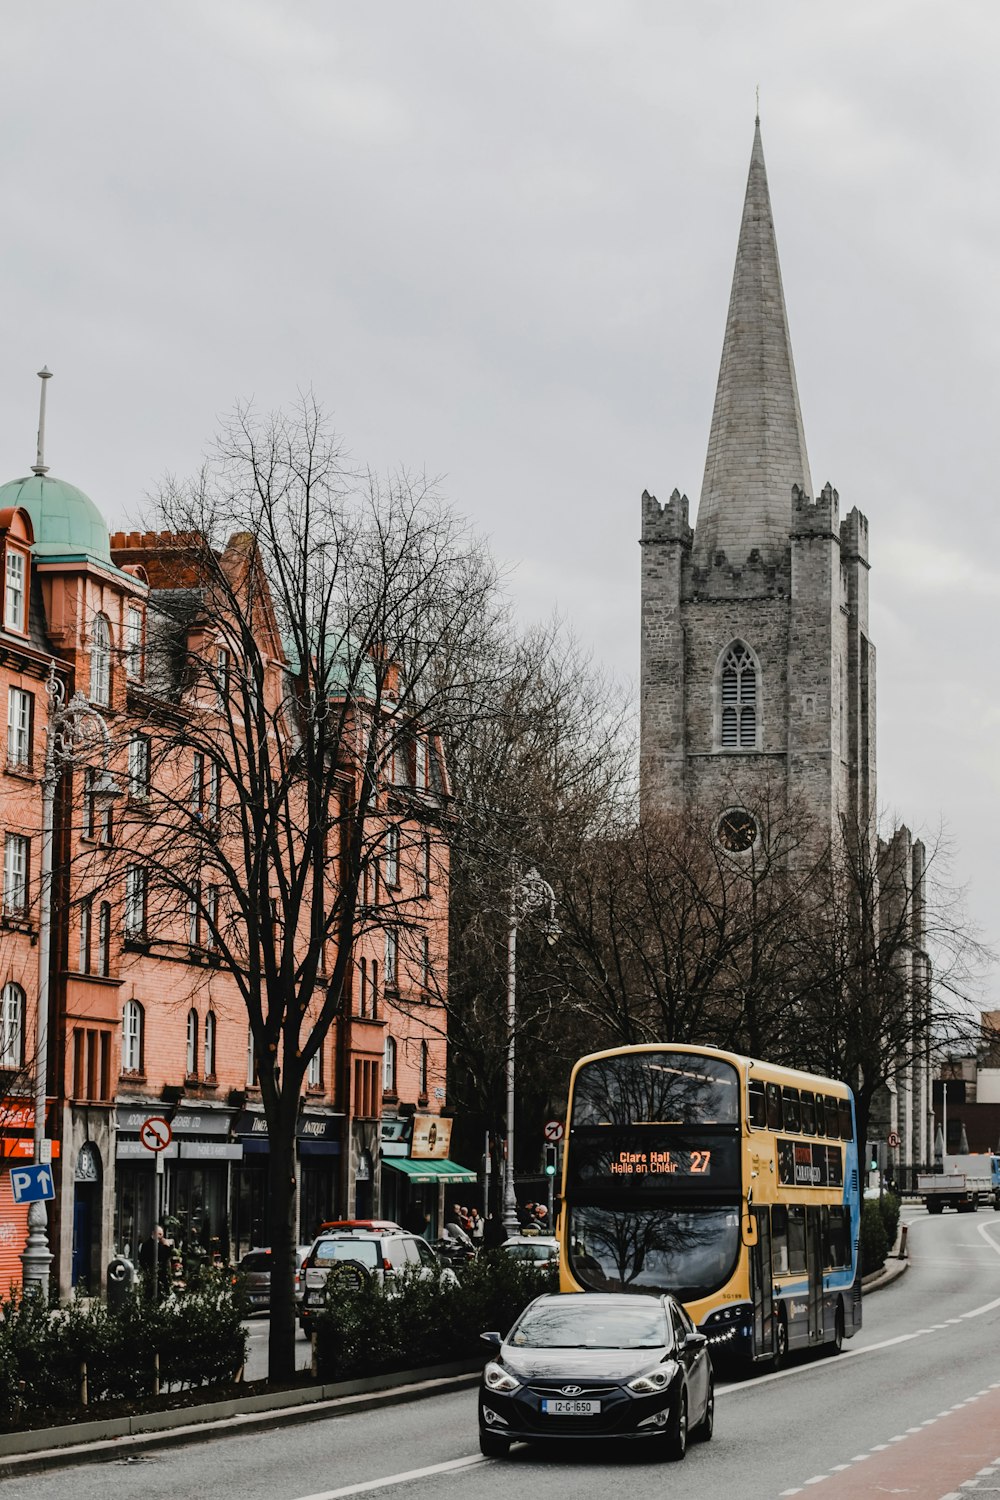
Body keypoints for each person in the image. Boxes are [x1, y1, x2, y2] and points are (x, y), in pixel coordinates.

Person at [138, 1223, 172, 1299]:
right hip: (153, 1273)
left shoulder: (159, 1244)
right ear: (154, 1233)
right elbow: (163, 1256)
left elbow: (167, 1258)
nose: (161, 1236)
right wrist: (167, 1247)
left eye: (162, 1234)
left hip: (159, 1274)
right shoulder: (148, 1245)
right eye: (159, 1234)